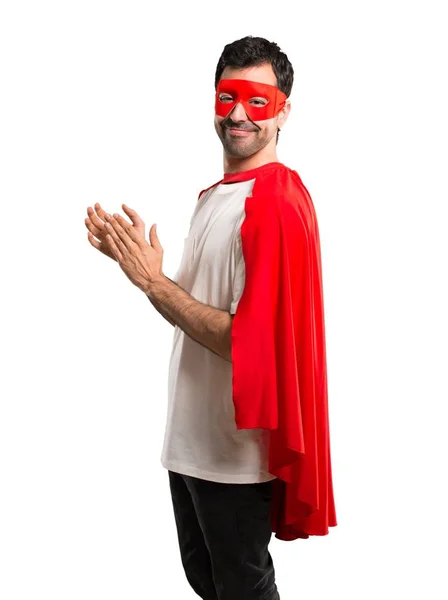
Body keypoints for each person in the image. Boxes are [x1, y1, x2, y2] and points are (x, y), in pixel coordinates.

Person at [85, 35, 337, 600]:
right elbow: (197, 315)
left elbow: (246, 340)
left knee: (243, 590)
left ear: (284, 111)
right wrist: (141, 271)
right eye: (228, 98)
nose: (240, 114)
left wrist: (152, 281)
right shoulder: (217, 195)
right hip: (194, 442)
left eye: (258, 100)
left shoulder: (272, 201)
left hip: (235, 455)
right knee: (210, 585)